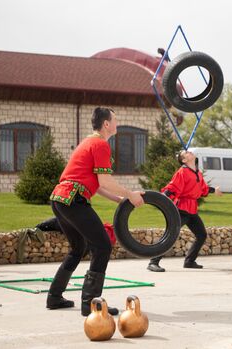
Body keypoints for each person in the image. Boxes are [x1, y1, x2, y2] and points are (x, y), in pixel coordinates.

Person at [47, 107, 144, 316]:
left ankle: (54, 297)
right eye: (115, 120)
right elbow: (105, 181)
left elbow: (97, 185)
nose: (117, 123)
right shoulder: (100, 144)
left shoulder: (88, 142)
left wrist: (119, 199)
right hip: (74, 199)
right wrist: (130, 194)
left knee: (78, 247)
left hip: (60, 198)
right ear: (106, 124)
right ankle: (91, 304)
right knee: (102, 246)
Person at [147, 149, 222, 272]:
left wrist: (214, 190)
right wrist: (163, 198)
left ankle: (189, 261)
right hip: (181, 209)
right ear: (184, 160)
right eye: (186, 152)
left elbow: (203, 189)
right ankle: (153, 262)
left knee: (201, 235)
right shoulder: (182, 172)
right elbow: (172, 187)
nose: (190, 152)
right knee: (170, 235)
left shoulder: (197, 172)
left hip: (192, 210)